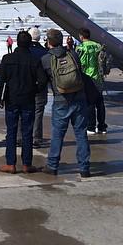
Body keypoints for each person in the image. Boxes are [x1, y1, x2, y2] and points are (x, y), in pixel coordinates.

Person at [40, 28, 90, 178]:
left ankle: (52, 165)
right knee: (81, 134)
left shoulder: (46, 59)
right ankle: (84, 168)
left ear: (48, 42)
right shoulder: (73, 54)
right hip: (79, 98)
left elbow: (43, 81)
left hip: (61, 99)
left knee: (57, 134)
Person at [0, 31, 47, 174]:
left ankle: (10, 163)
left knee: (11, 132)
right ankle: (26, 164)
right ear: (30, 44)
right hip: (28, 99)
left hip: (11, 99)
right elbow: (43, 81)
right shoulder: (34, 60)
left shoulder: (7, 58)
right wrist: (34, 90)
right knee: (27, 132)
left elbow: (0, 81)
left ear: (17, 42)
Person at [77, 29, 107, 135]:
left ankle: (91, 126)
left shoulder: (82, 47)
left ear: (81, 36)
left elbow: (81, 63)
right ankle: (102, 127)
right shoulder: (98, 45)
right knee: (100, 103)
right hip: (99, 77)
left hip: (88, 77)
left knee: (90, 103)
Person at [28, 27, 48, 147]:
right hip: (40, 87)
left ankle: (20, 137)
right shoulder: (44, 52)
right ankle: (36, 138)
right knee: (38, 112)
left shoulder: (25, 50)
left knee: (23, 111)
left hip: (26, 86)